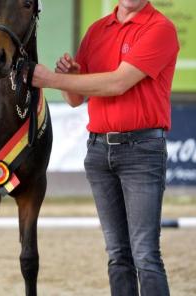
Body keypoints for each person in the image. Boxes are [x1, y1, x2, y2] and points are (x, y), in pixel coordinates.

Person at [32, 1, 179, 295]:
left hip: (142, 150)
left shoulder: (160, 28)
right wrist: (71, 78)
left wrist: (49, 78)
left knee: (145, 255)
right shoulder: (97, 31)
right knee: (117, 254)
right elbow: (75, 99)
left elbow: (118, 83)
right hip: (99, 151)